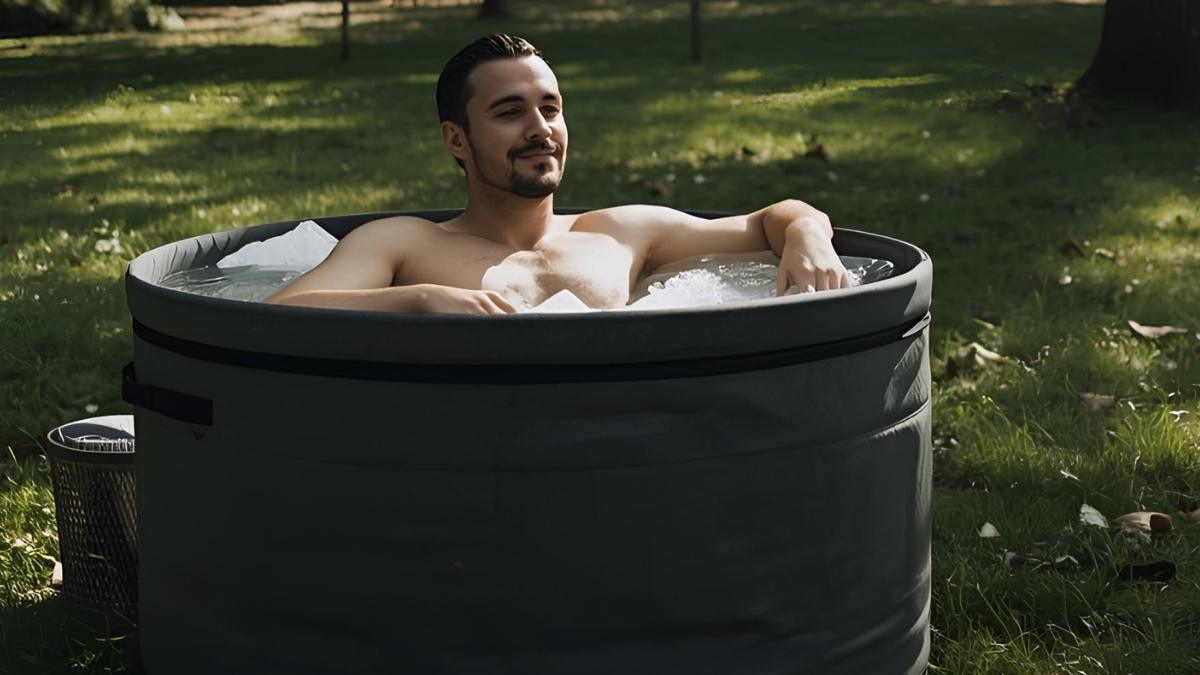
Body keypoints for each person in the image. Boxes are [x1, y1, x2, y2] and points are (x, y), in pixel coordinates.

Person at [264, 33, 849, 315]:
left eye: (551, 107)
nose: (540, 128)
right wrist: (418, 303)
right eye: (509, 112)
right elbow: (278, 315)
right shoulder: (405, 244)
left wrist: (806, 233)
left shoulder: (622, 233)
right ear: (456, 140)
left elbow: (775, 219)